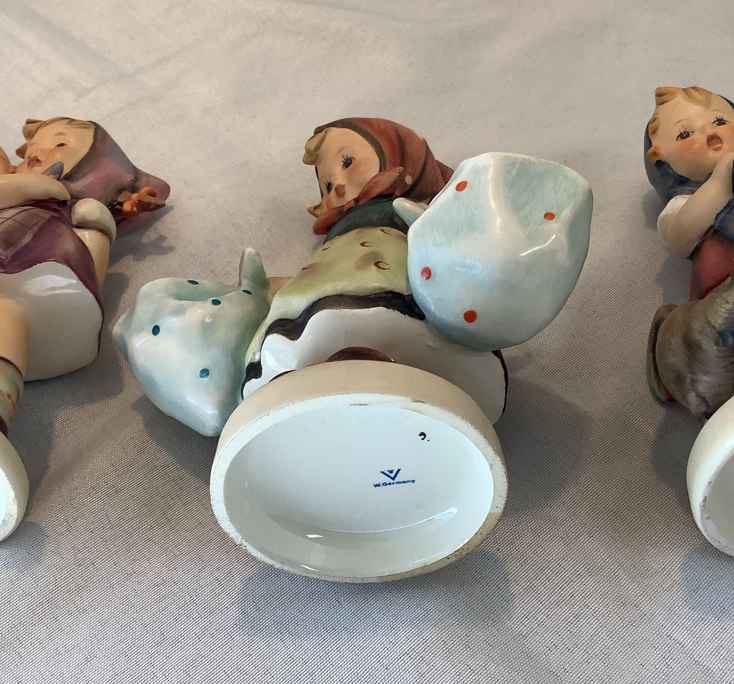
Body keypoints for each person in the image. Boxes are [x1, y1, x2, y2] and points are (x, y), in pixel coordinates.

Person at [0, 117, 169, 541]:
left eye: (60, 144)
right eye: (37, 144)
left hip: (35, 274)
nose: (41, 151)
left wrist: (101, 222)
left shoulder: (54, 198)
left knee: (8, 316)